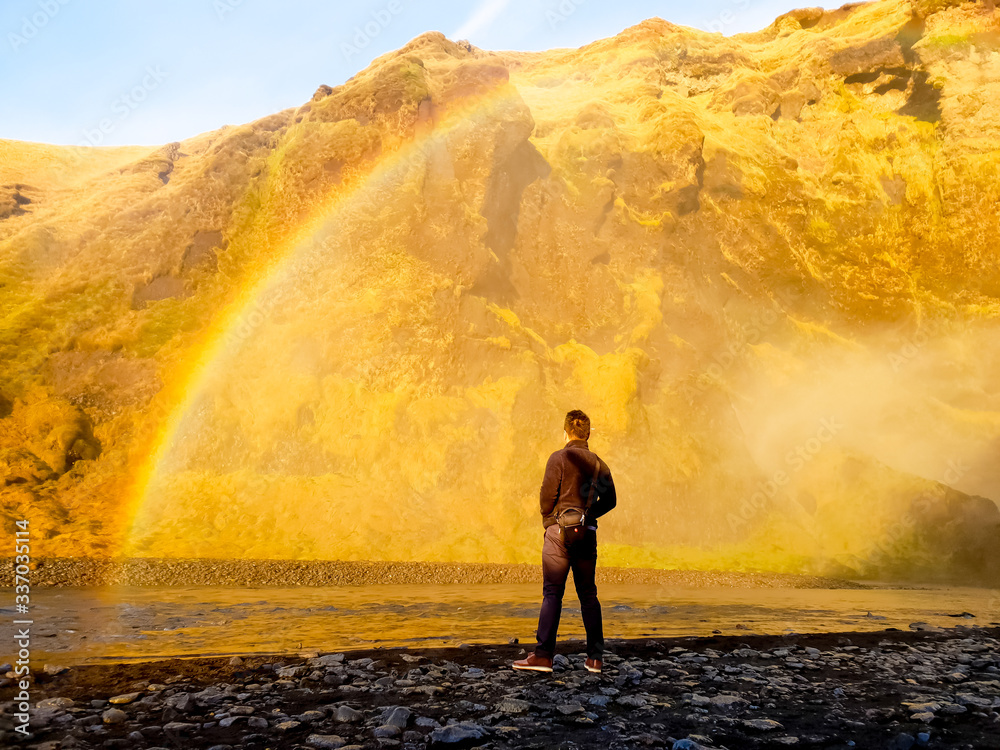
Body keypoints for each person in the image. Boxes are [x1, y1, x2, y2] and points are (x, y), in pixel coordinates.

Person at [513, 409, 617, 674]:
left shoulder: (558, 457)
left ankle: (544, 656)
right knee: (588, 595)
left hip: (558, 535)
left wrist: (553, 519)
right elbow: (611, 501)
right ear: (589, 434)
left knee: (552, 594)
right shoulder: (598, 464)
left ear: (565, 433)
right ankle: (595, 659)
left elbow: (546, 500)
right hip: (586, 534)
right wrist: (587, 515)